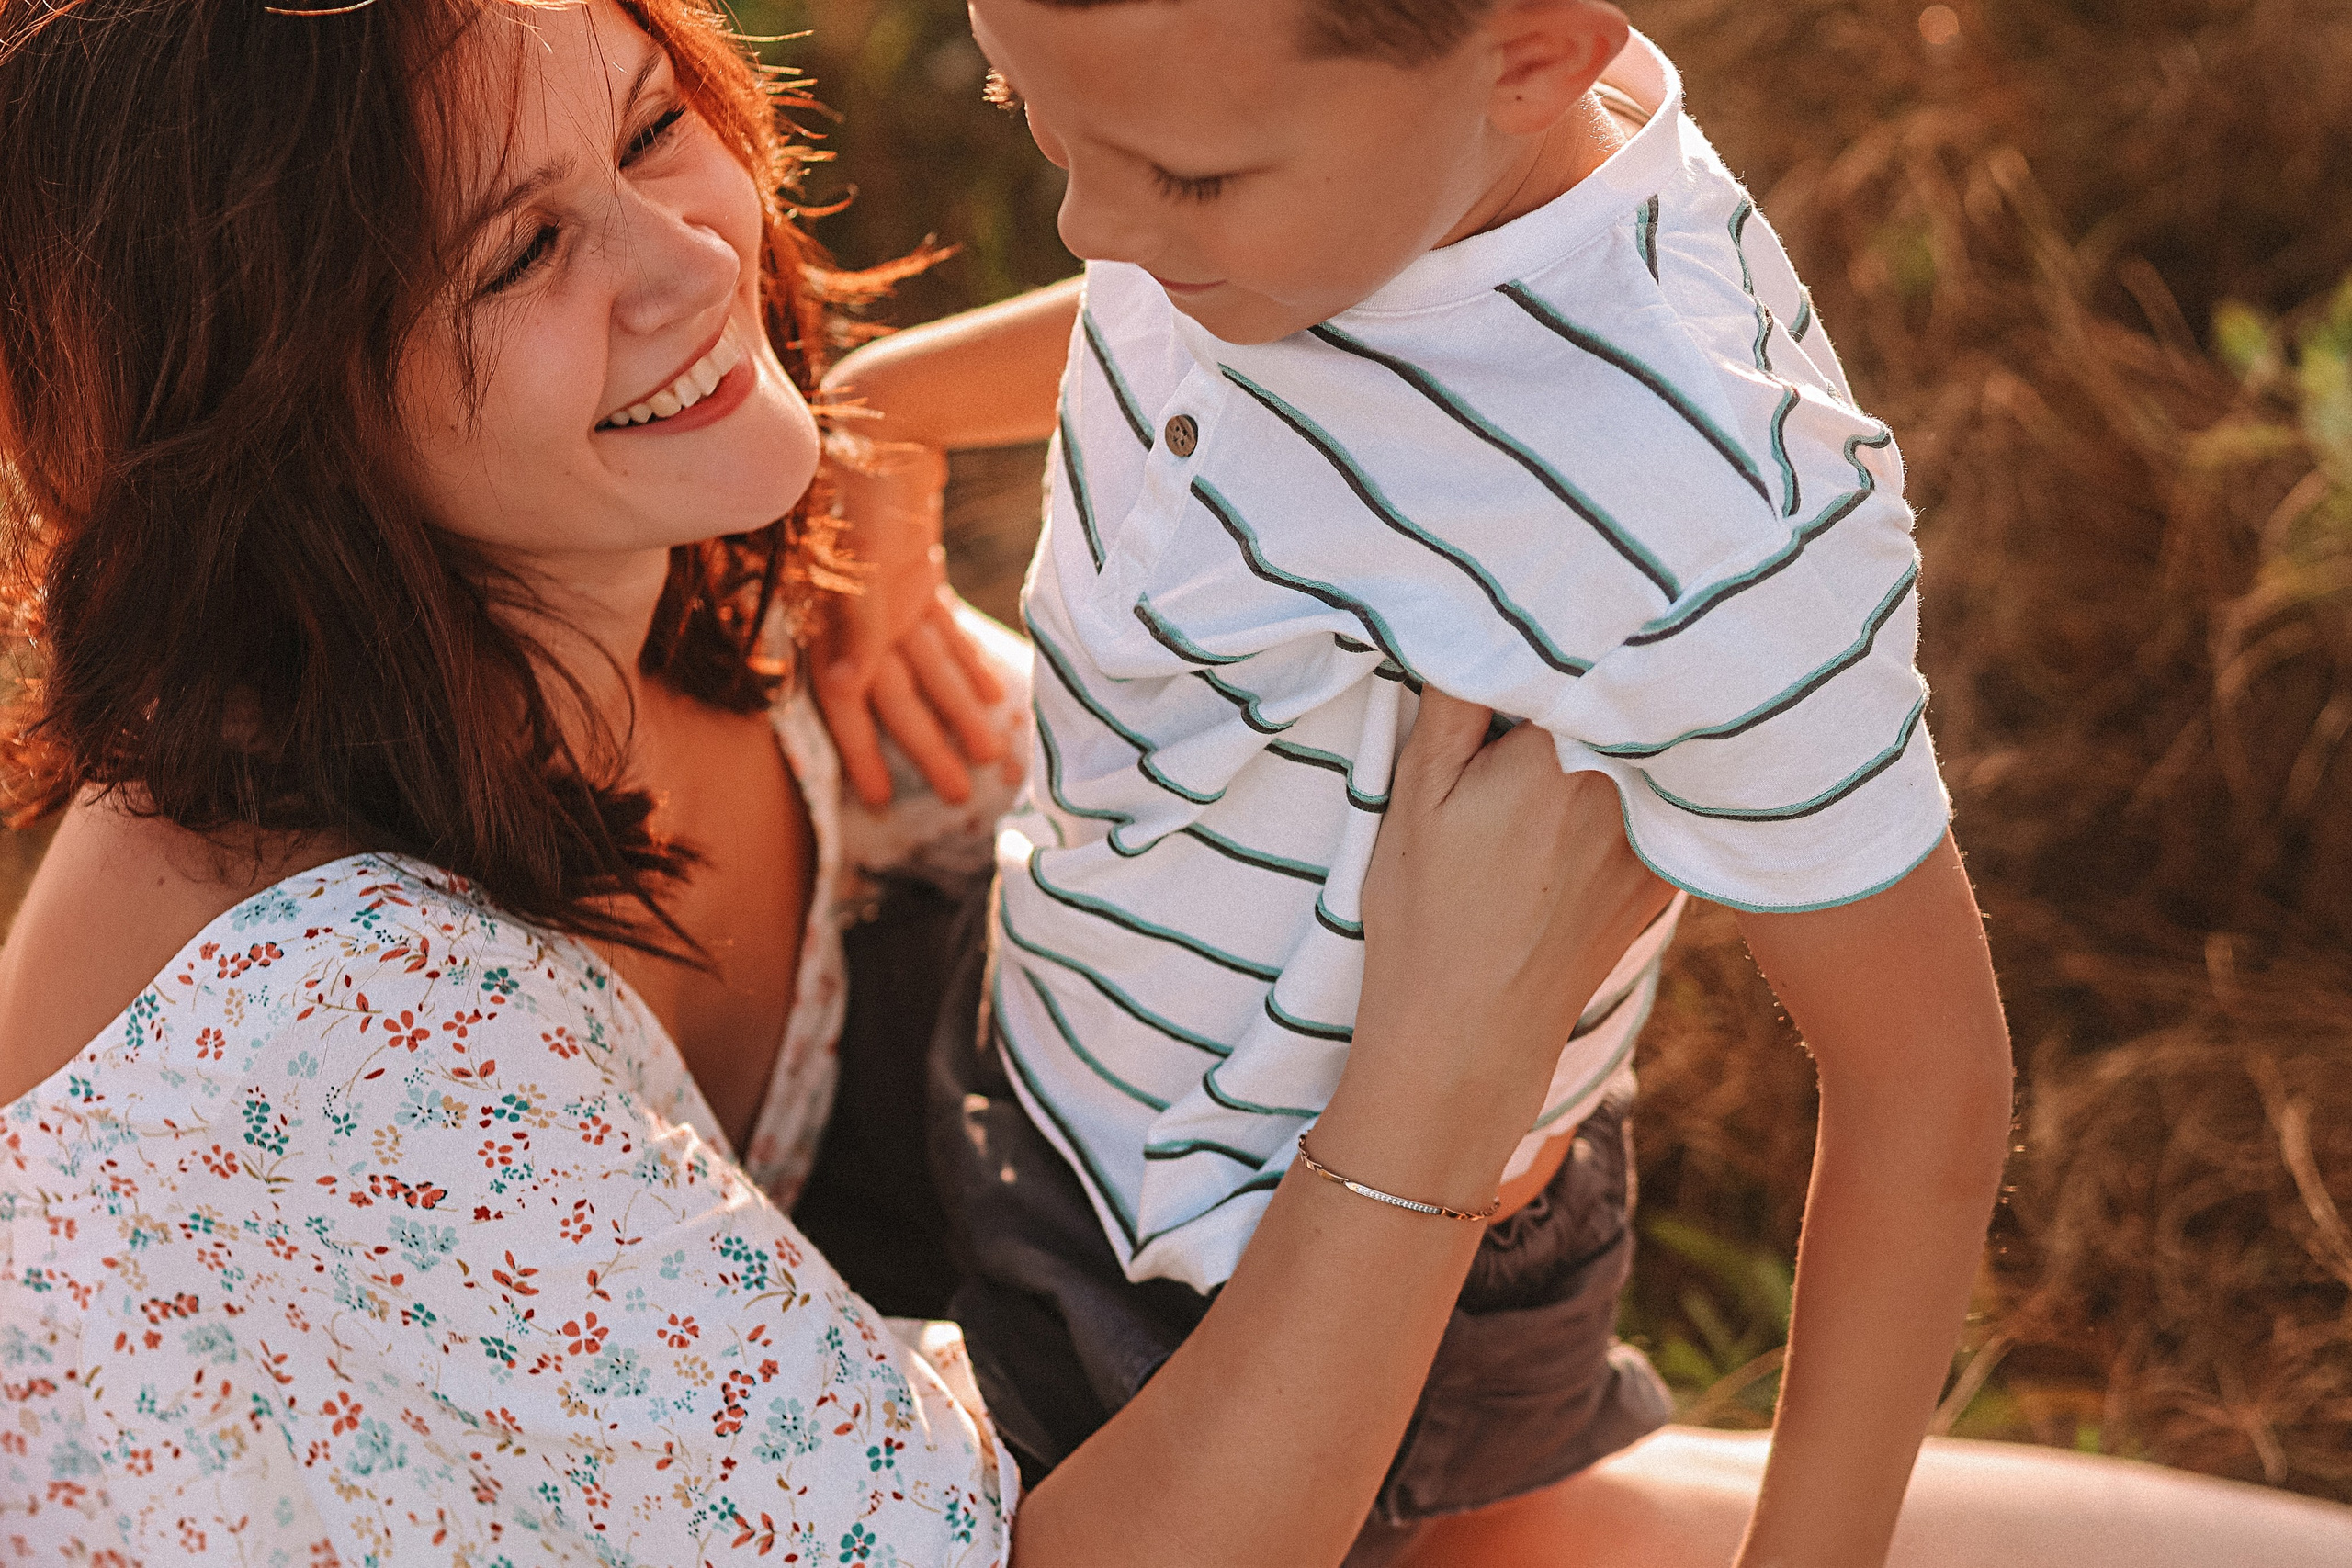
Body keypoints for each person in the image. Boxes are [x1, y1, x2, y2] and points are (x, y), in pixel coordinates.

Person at [6, 3, 2352, 1567]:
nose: (690, 261)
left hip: (1071, 1261)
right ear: (283, 420)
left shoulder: (637, 547)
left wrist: (880, 463)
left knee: (1553, 1526)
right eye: (524, 248)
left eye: (645, 124)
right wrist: (1430, 1070)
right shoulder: (342, 1029)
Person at [813, 2, 2007, 1563]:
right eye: (1025, 106)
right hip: (1059, 1049)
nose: (1087, 225)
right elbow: (1188, 315)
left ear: (1537, 56)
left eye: (1186, 178)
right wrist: (898, 411)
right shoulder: (1338, 182)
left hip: (1280, 1276)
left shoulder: (1704, 515)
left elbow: (1926, 1083)